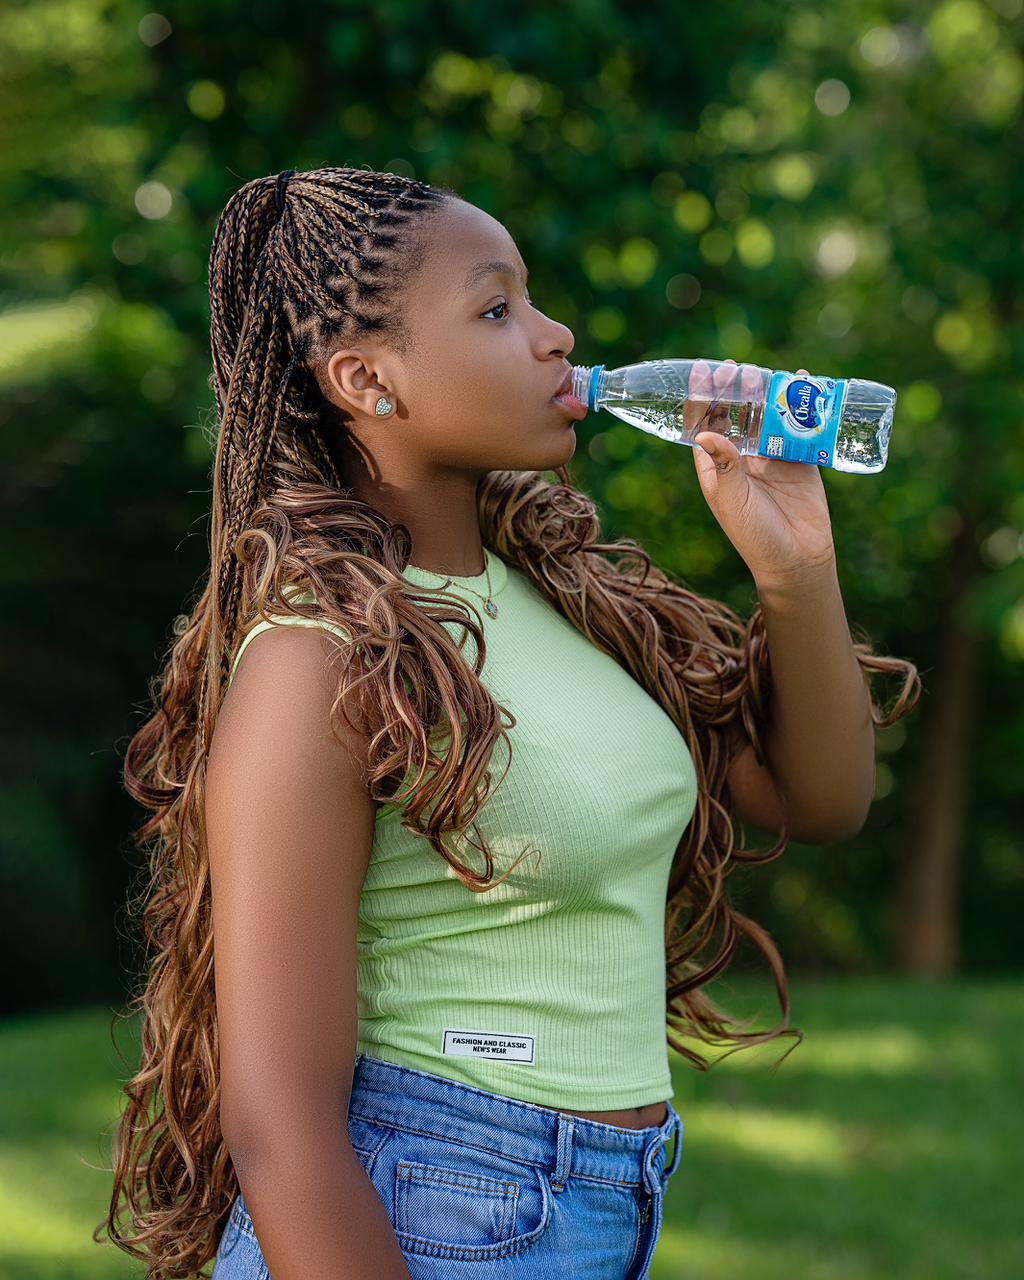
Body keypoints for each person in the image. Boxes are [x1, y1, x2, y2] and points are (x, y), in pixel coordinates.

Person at [96, 166, 920, 1278]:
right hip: (420, 1213)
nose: (554, 335)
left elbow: (819, 797)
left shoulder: (564, 596)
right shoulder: (313, 659)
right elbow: (278, 1124)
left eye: (530, 302)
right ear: (366, 379)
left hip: (578, 1207)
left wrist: (796, 566)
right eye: (497, 309)